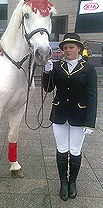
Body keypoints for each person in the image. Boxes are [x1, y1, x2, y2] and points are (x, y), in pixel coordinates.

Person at [42, 33, 97, 201]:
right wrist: (47, 73)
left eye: (71, 47)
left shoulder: (88, 68)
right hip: (59, 114)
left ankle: (73, 182)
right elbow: (48, 89)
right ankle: (63, 182)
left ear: (79, 48)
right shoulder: (57, 66)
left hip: (79, 115)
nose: (67, 50)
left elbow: (92, 95)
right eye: (65, 48)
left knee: (75, 150)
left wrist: (90, 122)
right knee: (61, 149)